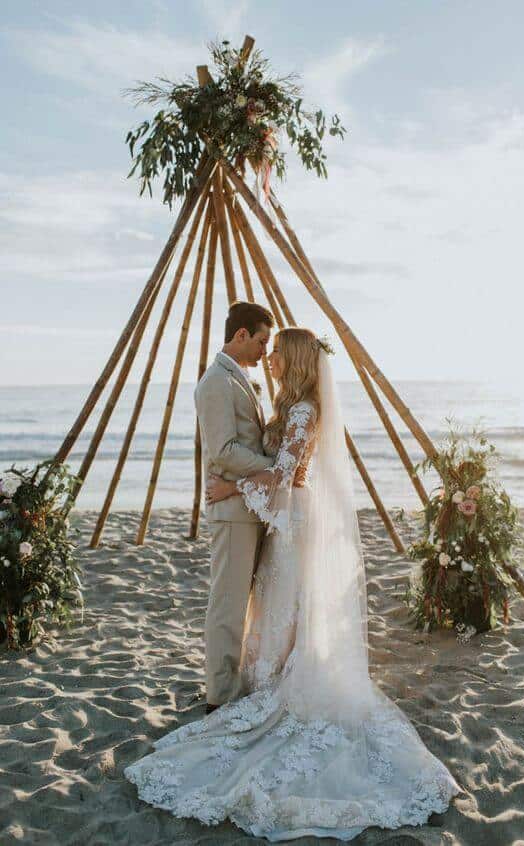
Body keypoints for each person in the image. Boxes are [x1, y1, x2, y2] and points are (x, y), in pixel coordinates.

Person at [124, 327, 462, 840]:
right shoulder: (292, 405)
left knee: (286, 598)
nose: (270, 359)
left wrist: (230, 484)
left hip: (297, 519)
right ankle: (273, 674)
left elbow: (285, 474)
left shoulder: (303, 410)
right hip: (288, 519)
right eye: (268, 349)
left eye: (277, 352)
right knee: (277, 598)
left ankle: (281, 680)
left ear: (298, 359)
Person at [193, 300, 274, 712]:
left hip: (247, 505)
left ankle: (230, 681)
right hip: (232, 513)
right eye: (261, 341)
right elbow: (223, 451)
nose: (265, 350)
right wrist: (275, 468)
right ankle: (219, 696)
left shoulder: (238, 379)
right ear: (241, 335)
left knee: (242, 602)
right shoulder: (215, 383)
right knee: (227, 603)